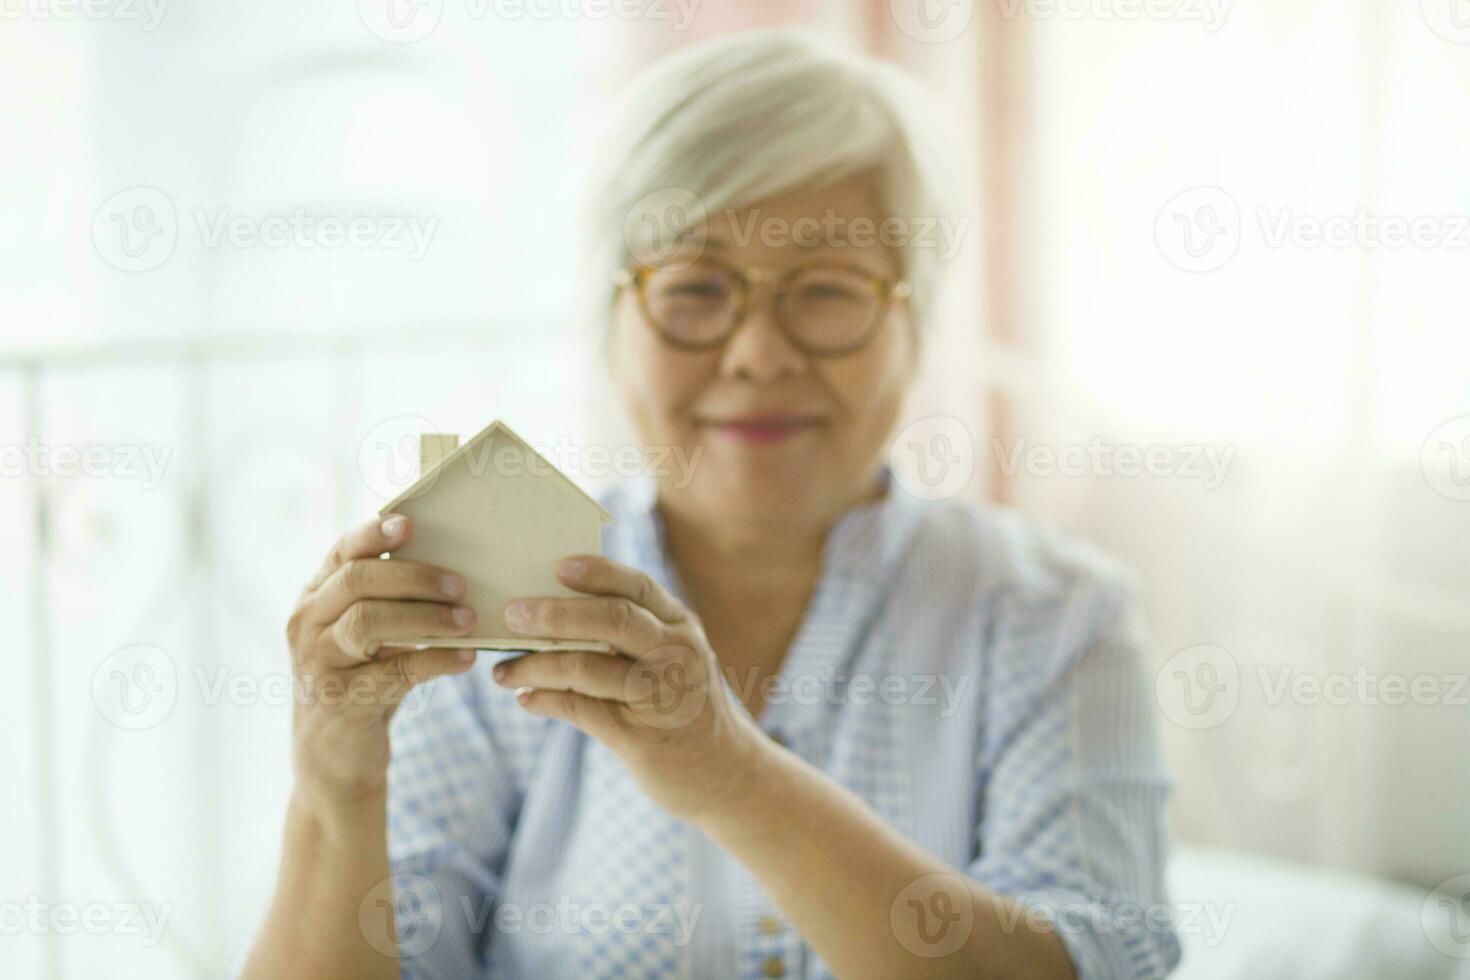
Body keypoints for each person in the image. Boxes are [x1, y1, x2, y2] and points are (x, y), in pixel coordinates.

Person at [242, 28, 1180, 980]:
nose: (758, 354)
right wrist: (334, 787)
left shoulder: (1056, 618)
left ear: (916, 323)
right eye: (694, 287)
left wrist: (732, 775)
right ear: (611, 327)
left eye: (825, 289)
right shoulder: (481, 608)